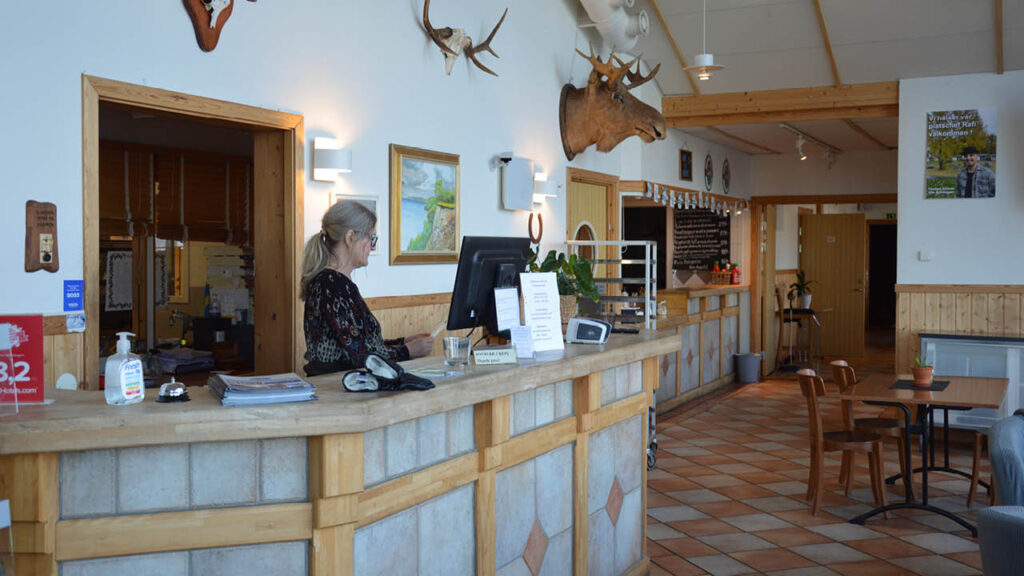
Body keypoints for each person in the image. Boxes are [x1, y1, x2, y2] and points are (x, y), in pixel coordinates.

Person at [301, 200, 433, 376]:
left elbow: (362, 343)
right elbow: (359, 354)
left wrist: (404, 342)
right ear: (350, 237)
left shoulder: (332, 282)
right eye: (371, 239)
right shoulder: (332, 285)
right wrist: (408, 350)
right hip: (338, 385)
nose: (372, 247)